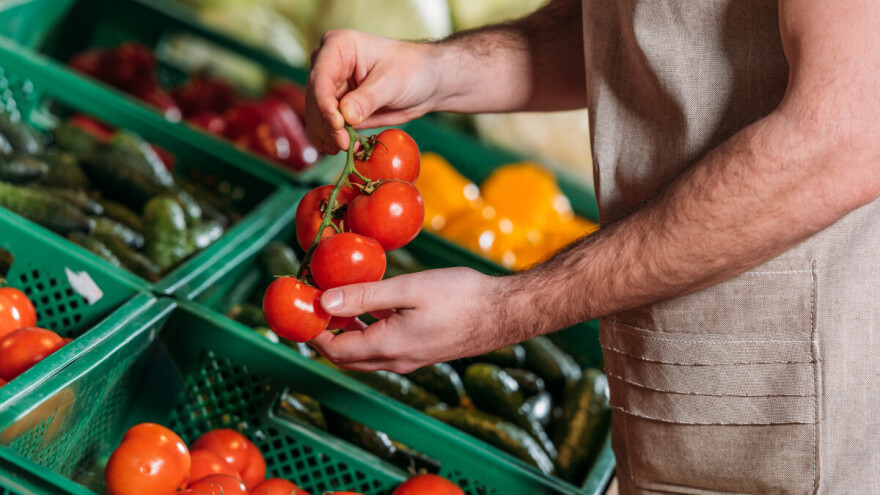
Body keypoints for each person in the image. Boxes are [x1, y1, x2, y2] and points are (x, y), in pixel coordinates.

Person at [303, 0, 880, 493]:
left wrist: (504, 308)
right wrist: (438, 68)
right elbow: (637, 29)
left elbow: (847, 133)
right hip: (671, 389)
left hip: (791, 418)